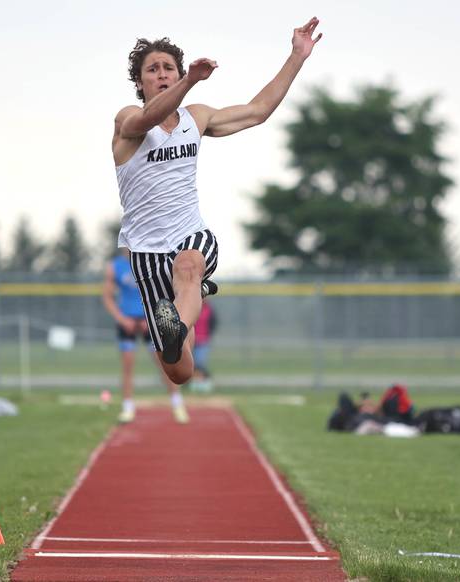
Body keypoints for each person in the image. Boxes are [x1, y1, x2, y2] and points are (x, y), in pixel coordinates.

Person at [112, 19, 322, 385]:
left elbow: (257, 111)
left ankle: (188, 298)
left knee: (189, 266)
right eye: (153, 69)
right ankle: (185, 314)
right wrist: (189, 81)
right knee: (180, 372)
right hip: (145, 253)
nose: (162, 74)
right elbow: (149, 116)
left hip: (189, 236)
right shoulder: (128, 120)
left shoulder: (197, 118)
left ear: (177, 73)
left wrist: (297, 57)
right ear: (141, 81)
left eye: (169, 69)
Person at [102, 248, 187, 424]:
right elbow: (107, 297)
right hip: (127, 322)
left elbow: (161, 291)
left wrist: (152, 319)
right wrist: (122, 319)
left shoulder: (150, 262)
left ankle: (177, 404)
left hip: (150, 320)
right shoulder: (115, 266)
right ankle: (127, 407)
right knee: (127, 365)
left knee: (166, 364)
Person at [189, 299, 216, 392]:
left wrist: (209, 334)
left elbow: (213, 323)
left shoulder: (208, 309)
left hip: (203, 340)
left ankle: (203, 384)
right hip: (191, 339)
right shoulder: (192, 307)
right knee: (189, 363)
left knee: (200, 363)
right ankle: (191, 384)